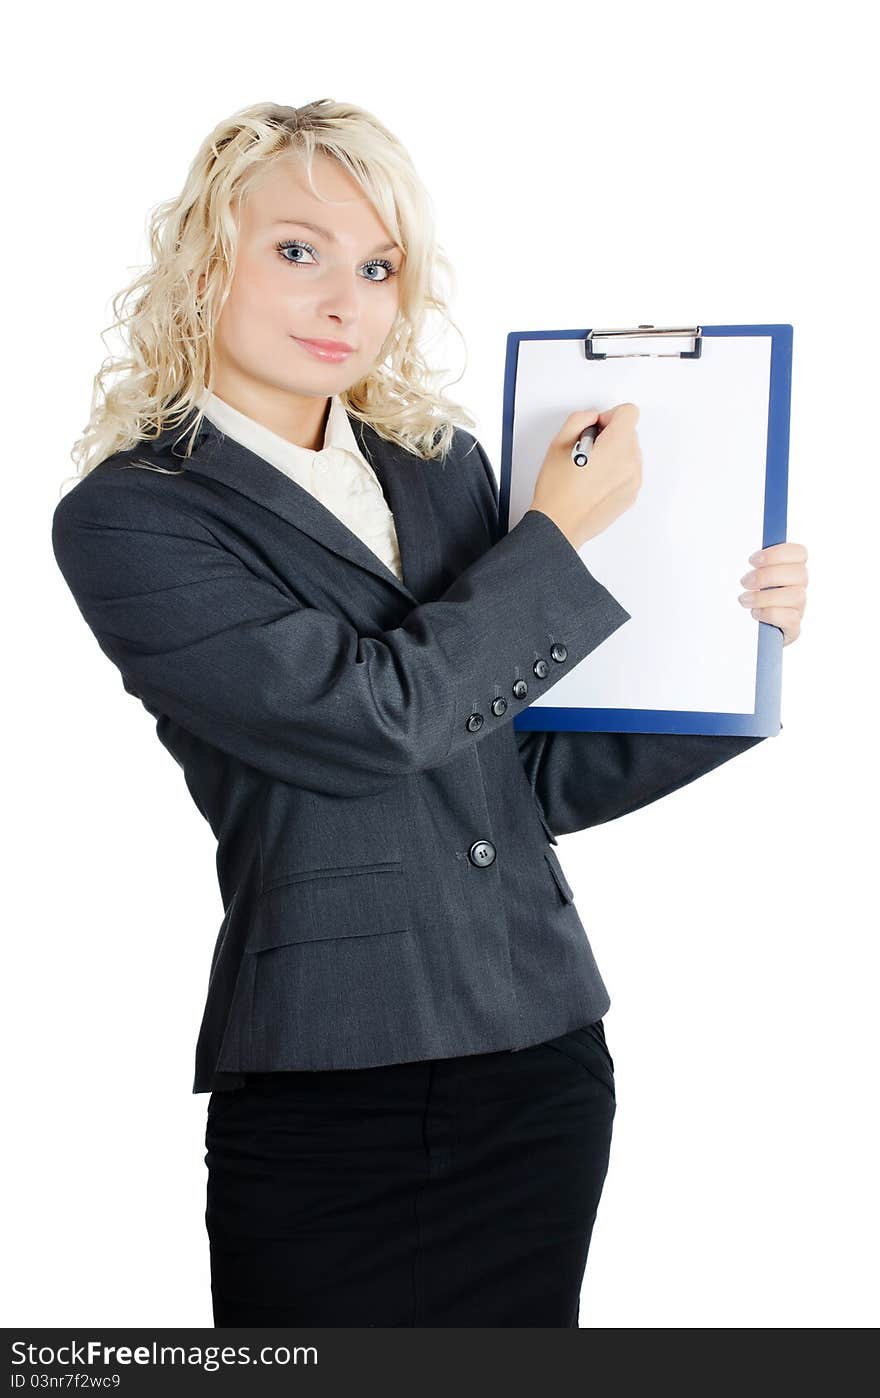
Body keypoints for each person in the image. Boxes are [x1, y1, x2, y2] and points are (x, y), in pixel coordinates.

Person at [51, 99, 809, 1328]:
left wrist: (738, 661)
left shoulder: (441, 463)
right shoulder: (135, 515)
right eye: (298, 250)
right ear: (205, 261)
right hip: (327, 1082)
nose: (343, 299)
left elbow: (522, 780)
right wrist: (556, 536)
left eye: (379, 266)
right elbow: (370, 723)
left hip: (540, 1049)